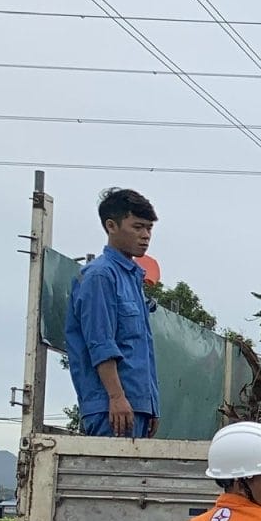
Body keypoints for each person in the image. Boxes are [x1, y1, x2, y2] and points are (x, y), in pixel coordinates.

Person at [64, 187, 161, 438]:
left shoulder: (133, 278)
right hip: (110, 409)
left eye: (149, 228)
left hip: (137, 407)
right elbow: (100, 343)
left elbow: (142, 351)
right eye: (137, 227)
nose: (145, 235)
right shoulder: (100, 276)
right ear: (111, 226)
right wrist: (117, 397)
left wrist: (151, 407)